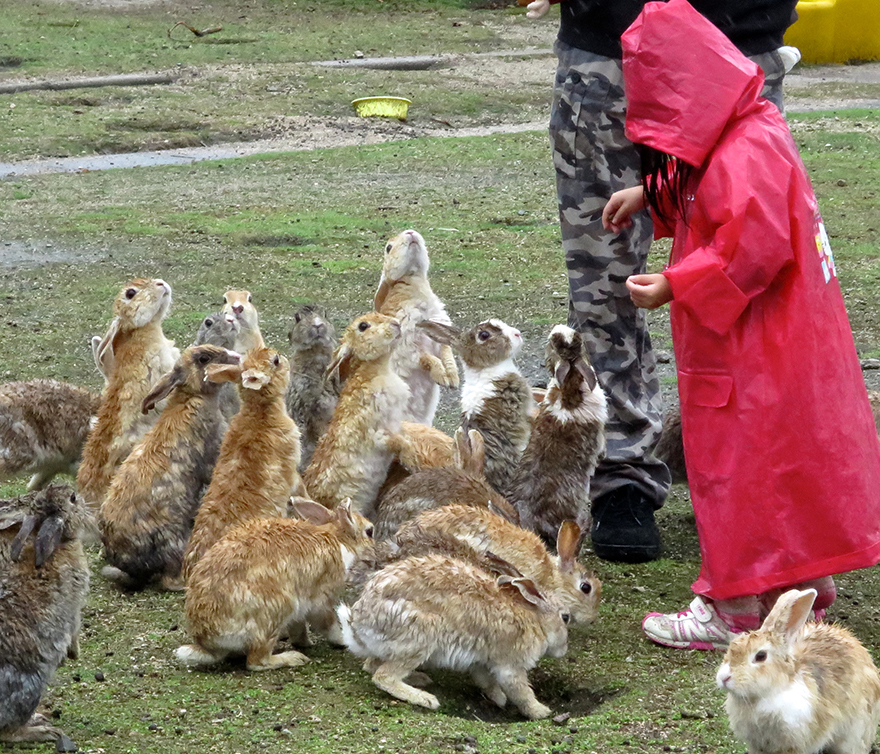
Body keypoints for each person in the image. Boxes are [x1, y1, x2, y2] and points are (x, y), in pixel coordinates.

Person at [602, 0, 880, 649]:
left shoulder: (742, 149)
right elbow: (717, 191)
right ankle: (798, 592)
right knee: (784, 463)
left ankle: (730, 608)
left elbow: (750, 242)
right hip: (784, 351)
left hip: (749, 353)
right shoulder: (746, 128)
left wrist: (676, 282)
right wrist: (654, 193)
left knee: (736, 467)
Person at [525, 0, 799, 563]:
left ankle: (748, 475)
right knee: (604, 284)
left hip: (736, 49)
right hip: (607, 49)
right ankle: (620, 474)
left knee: (746, 271)